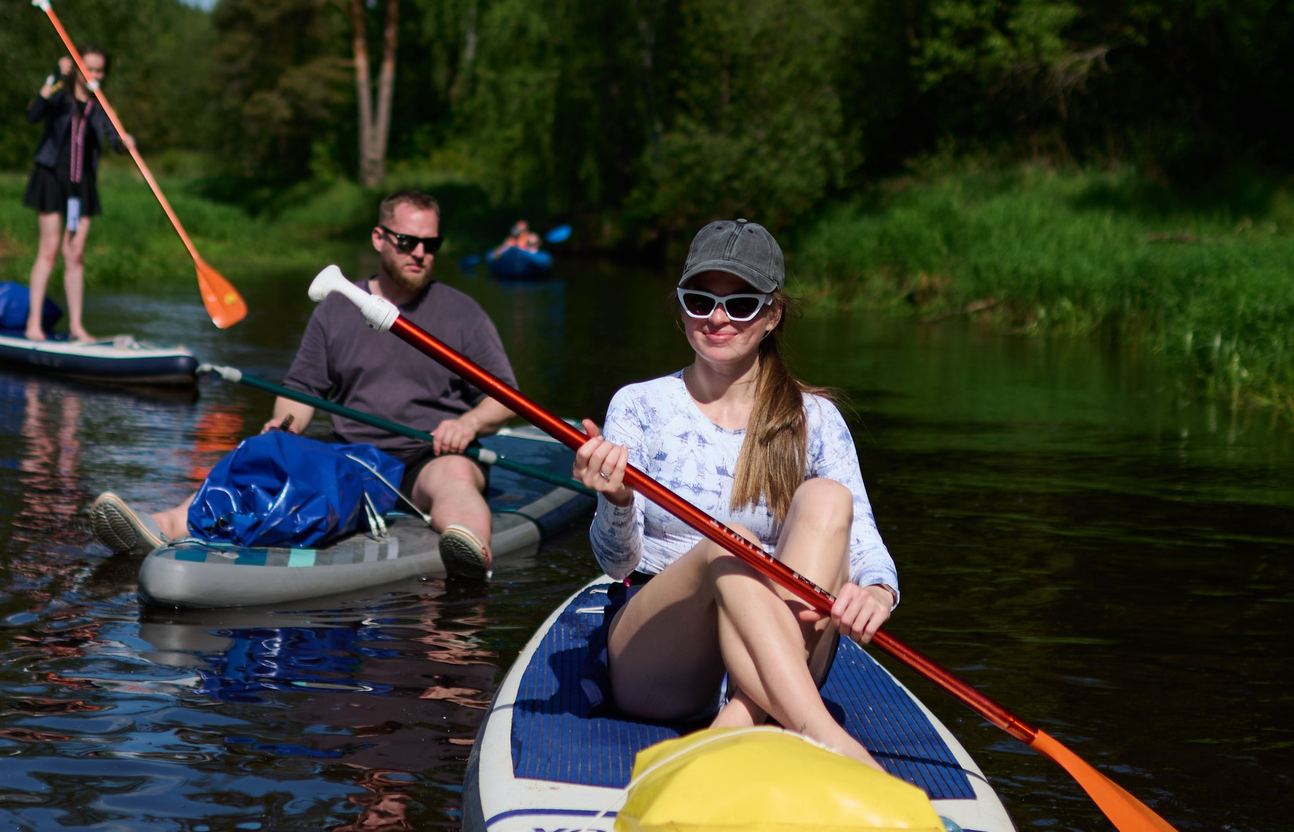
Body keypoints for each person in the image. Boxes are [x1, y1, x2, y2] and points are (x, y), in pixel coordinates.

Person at [570, 219, 898, 768]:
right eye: (700, 301)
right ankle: (822, 735)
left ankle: (739, 719)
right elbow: (616, 562)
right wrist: (616, 501)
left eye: (740, 304)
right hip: (661, 655)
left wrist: (878, 594)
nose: (717, 318)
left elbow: (861, 534)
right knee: (731, 541)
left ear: (771, 315)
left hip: (778, 647)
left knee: (828, 498)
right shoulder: (639, 406)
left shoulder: (815, 418)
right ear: (680, 308)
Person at [87, 191, 520, 571]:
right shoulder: (337, 307)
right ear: (379, 238)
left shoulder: (462, 313)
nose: (420, 253)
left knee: (457, 477)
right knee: (261, 452)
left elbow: (505, 397)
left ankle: (469, 547)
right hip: (356, 460)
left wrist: (468, 424)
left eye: (432, 244)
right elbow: (302, 391)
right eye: (408, 241)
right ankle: (165, 525)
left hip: (427, 457)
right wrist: (285, 424)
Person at [23, 51, 132, 343]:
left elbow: (115, 141)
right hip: (51, 178)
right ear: (78, 68)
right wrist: (55, 76)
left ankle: (77, 327)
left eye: (100, 71)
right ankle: (33, 323)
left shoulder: (102, 107)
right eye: (89, 69)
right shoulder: (60, 95)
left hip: (81, 185)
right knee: (49, 250)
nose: (95, 76)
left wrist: (125, 142)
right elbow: (34, 113)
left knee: (75, 255)